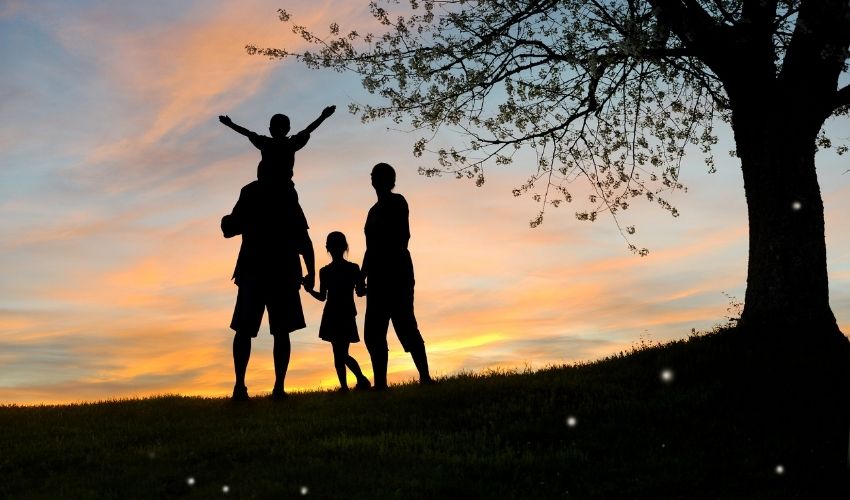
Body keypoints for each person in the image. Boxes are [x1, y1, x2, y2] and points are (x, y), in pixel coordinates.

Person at [221, 177, 316, 401]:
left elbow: (230, 228)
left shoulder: (254, 191)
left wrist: (227, 222)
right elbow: (303, 238)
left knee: (247, 329)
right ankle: (275, 387)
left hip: (257, 270)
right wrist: (311, 271)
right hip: (279, 271)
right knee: (277, 331)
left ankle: (243, 386)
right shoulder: (285, 192)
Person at [360, 163, 434, 390]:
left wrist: (379, 263)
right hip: (377, 276)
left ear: (388, 180)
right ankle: (380, 383)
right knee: (374, 332)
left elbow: (402, 237)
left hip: (397, 271)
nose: (374, 179)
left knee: (405, 324)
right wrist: (362, 276)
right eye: (373, 175)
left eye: (378, 175)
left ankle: (425, 377)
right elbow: (369, 248)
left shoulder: (398, 202)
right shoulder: (372, 211)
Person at [306, 231, 371, 392]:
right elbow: (361, 292)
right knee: (341, 353)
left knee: (339, 353)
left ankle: (357, 381)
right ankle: (350, 384)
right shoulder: (352, 268)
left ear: (327, 248)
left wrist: (309, 290)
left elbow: (322, 297)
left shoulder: (325, 271)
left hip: (334, 314)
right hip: (344, 313)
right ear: (345, 247)